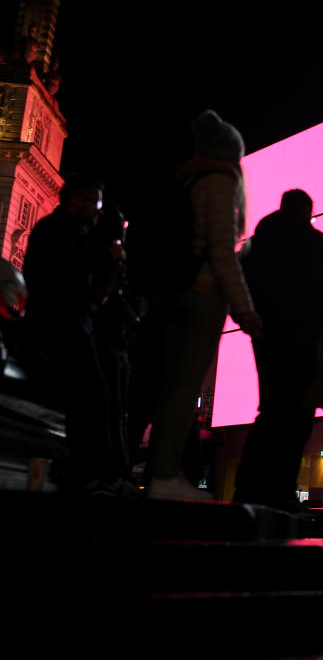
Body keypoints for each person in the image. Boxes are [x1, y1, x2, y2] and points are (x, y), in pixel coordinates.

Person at [148, 110, 262, 500]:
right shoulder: (220, 183)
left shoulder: (189, 181)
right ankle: (163, 476)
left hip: (177, 292)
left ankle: (160, 473)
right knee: (184, 388)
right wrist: (244, 308)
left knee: (172, 386)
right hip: (202, 295)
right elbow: (221, 253)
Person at [22, 174, 130, 495]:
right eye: (92, 201)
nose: (97, 209)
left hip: (67, 321)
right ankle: (87, 473)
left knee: (91, 397)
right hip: (62, 322)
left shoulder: (68, 231)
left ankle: (88, 472)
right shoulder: (61, 233)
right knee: (93, 396)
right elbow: (80, 285)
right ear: (74, 200)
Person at [232, 189, 323, 510]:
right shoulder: (314, 241)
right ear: (307, 210)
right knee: (298, 414)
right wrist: (316, 326)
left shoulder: (259, 241)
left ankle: (250, 485)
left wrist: (253, 320)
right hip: (302, 336)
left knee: (273, 409)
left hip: (266, 334)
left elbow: (241, 283)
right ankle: (280, 486)